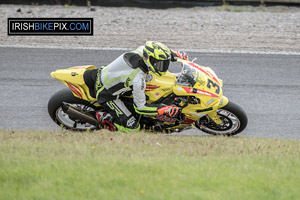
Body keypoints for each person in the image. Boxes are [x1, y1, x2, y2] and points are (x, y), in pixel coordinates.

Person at [84, 41, 188, 132]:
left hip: (105, 74)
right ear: (149, 60)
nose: (163, 67)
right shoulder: (138, 80)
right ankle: (105, 118)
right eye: (160, 64)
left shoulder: (143, 51)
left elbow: (156, 50)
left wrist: (174, 54)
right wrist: (162, 109)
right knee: (133, 128)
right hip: (106, 94)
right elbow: (141, 108)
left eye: (165, 63)